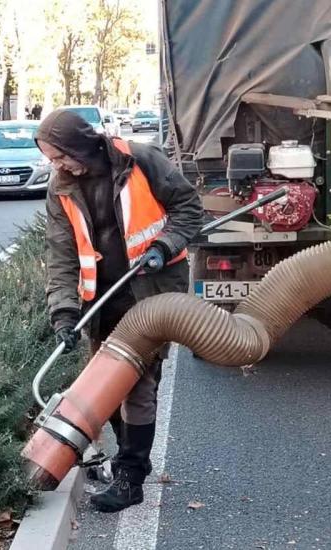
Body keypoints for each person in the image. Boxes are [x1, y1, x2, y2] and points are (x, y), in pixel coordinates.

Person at [36, 109, 204, 513]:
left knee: (139, 385)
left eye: (60, 156)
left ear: (81, 145)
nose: (57, 166)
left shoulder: (141, 161)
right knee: (107, 389)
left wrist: (164, 247)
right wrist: (64, 312)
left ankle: (131, 478)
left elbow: (189, 209)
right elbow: (61, 255)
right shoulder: (61, 188)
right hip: (103, 300)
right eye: (51, 160)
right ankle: (129, 462)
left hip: (150, 293)